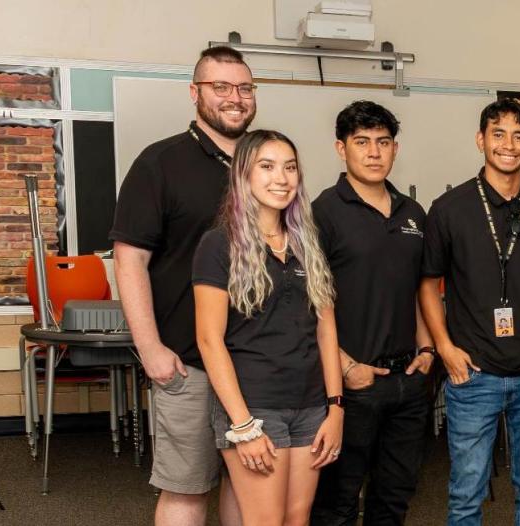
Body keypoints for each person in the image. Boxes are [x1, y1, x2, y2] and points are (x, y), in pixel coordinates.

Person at [110, 45, 254, 526]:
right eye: (221, 87)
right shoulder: (160, 163)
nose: (234, 98)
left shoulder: (266, 163)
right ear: (195, 93)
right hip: (187, 363)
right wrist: (149, 348)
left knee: (246, 482)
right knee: (187, 488)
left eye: (244, 88)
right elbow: (130, 261)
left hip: (254, 361)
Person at [191, 130, 344, 525]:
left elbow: (326, 330)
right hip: (254, 407)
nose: (282, 178)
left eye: (290, 167)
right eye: (267, 166)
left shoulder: (307, 243)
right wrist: (242, 426)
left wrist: (336, 407)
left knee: (297, 518)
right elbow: (209, 341)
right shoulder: (218, 244)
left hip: (311, 405)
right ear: (244, 174)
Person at [421, 99, 520, 526]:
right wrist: (445, 349)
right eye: (498, 134)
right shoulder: (449, 209)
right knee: (466, 493)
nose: (508, 145)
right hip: (472, 374)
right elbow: (427, 285)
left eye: (519, 136)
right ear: (481, 139)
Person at [310, 100, 439, 526]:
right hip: (354, 383)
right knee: (338, 502)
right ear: (340, 148)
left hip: (408, 383)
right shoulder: (322, 212)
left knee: (394, 499)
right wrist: (347, 368)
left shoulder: (413, 215)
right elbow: (310, 304)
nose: (373, 152)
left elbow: (419, 291)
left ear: (395, 150)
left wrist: (426, 350)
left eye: (383, 142)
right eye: (361, 142)